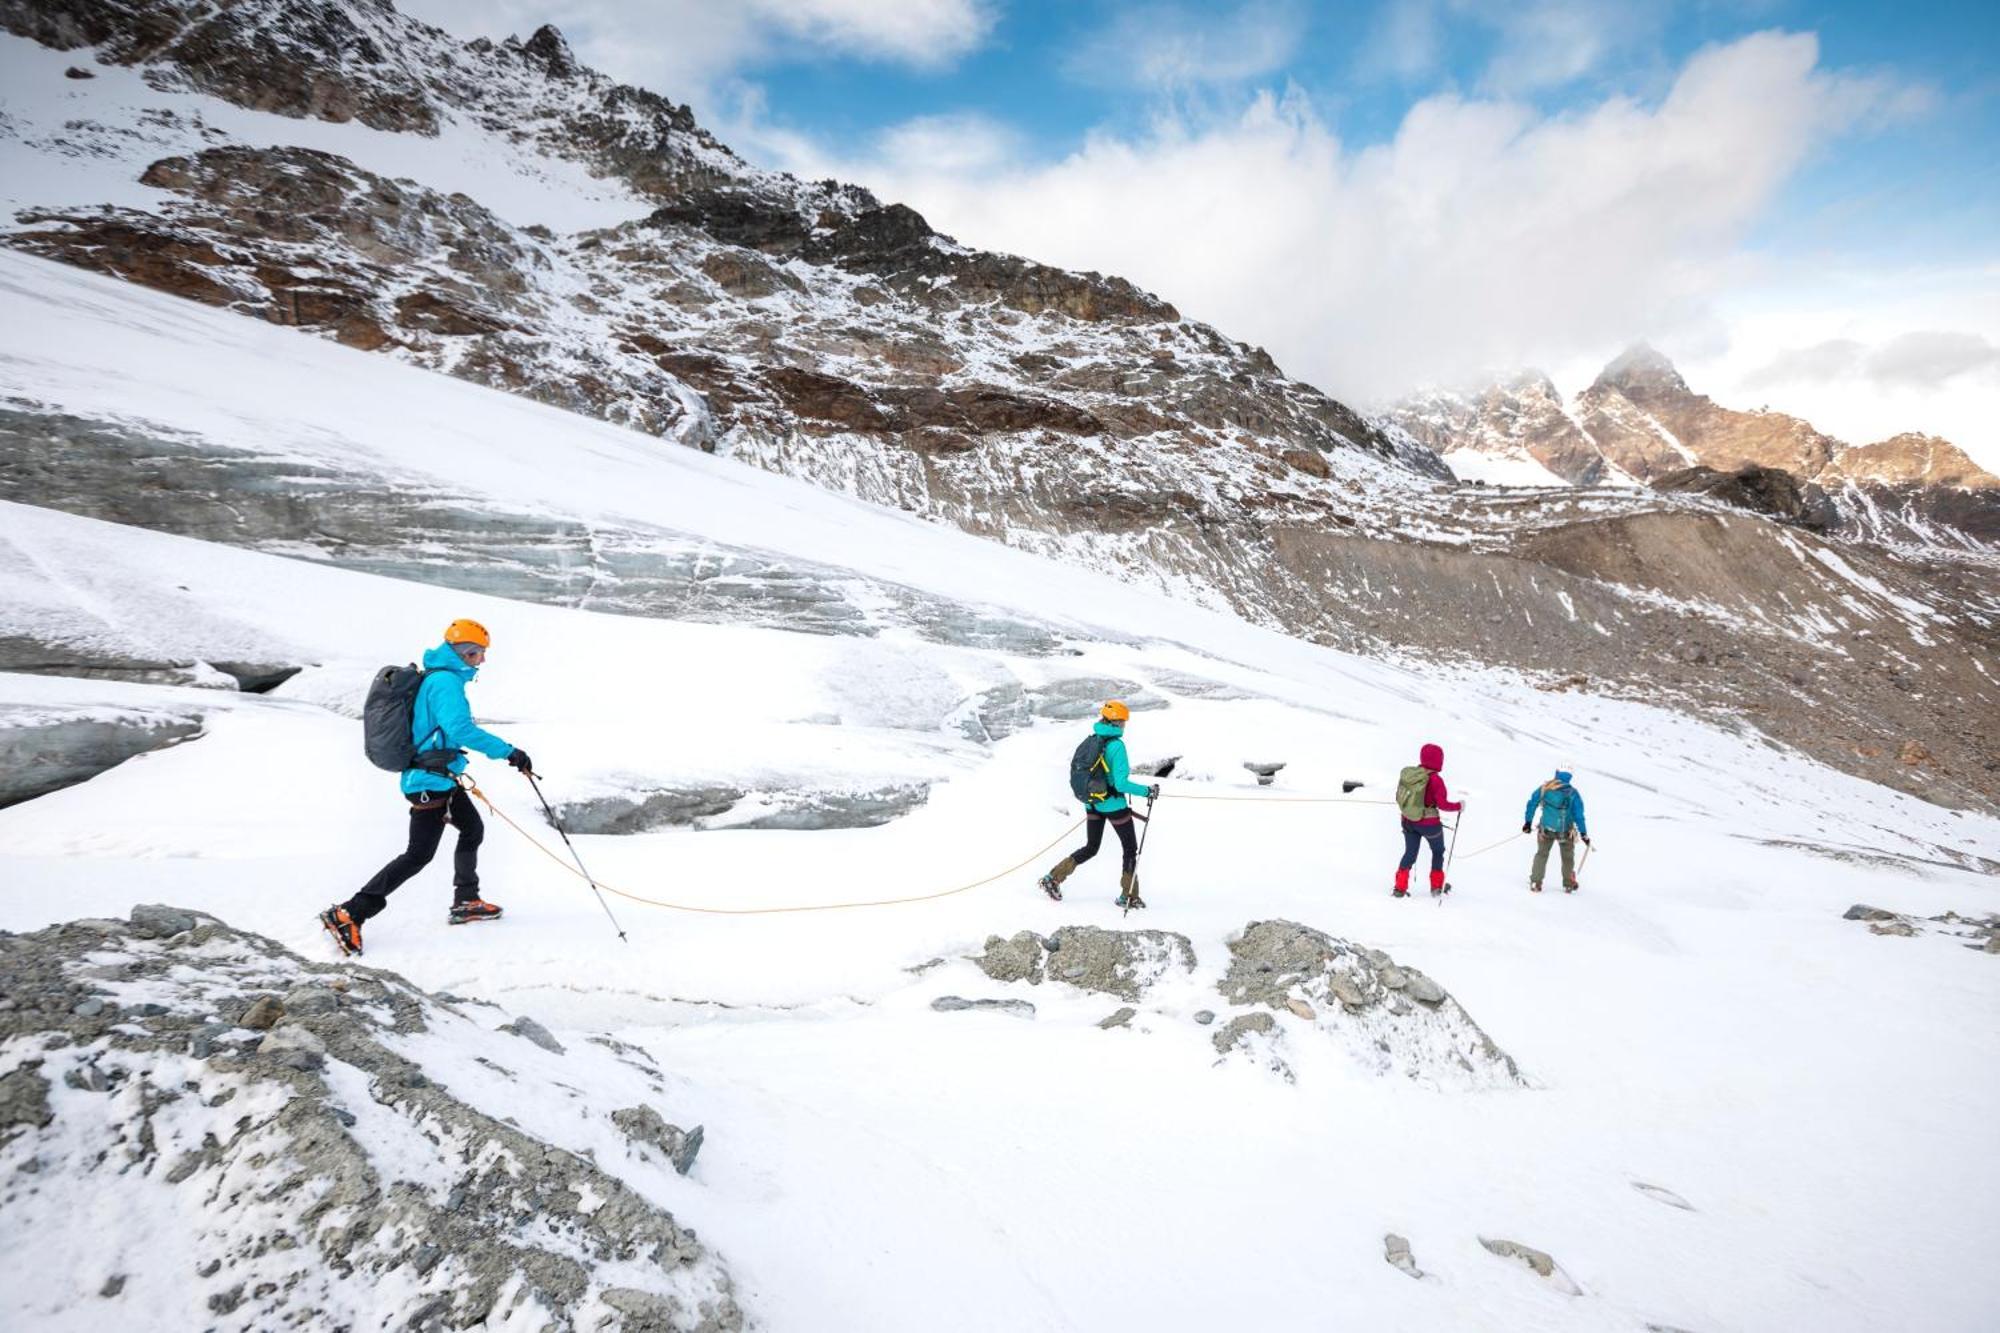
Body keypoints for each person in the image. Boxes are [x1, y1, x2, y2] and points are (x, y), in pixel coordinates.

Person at [321, 619, 530, 955]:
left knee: (472, 828)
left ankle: (466, 899)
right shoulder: (446, 682)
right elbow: (460, 729)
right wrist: (509, 752)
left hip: (439, 776)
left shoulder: (440, 678)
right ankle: (350, 912)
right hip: (429, 782)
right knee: (418, 855)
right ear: (463, 652)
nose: (482, 660)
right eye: (477, 653)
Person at [1039, 700, 1159, 908]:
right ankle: (1129, 896)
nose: (1124, 725)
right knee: (1130, 848)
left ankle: (1053, 877)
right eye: (1123, 721)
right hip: (1113, 805)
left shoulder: (1093, 740)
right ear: (1117, 722)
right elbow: (1121, 784)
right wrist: (1147, 791)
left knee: (1091, 847)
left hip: (1092, 802)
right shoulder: (1116, 746)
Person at [1393, 742, 1462, 898]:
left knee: (1410, 853)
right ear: (1438, 761)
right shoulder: (1436, 780)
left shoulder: (1412, 776)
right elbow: (1443, 805)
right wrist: (1459, 806)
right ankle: (1436, 887)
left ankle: (1399, 888)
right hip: (1429, 825)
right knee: (1438, 851)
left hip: (1408, 820)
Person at [1522, 768, 1590, 893]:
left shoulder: (1546, 788)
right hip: (1565, 831)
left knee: (1541, 854)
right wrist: (1584, 833)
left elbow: (1532, 803)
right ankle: (1568, 883)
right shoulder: (1573, 793)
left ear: (1557, 773)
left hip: (1545, 829)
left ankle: (1535, 882)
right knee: (1567, 858)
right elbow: (1579, 815)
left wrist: (1528, 822)